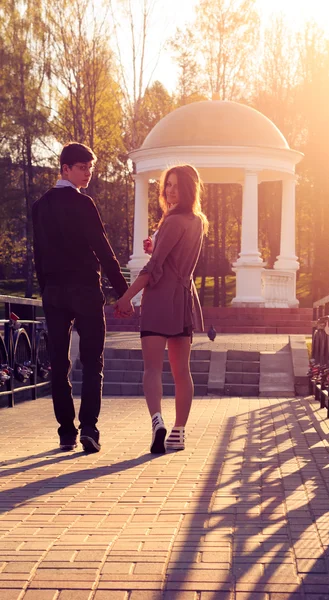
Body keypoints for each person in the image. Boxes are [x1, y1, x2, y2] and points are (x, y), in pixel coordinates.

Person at [32, 142, 131, 453]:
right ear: (66, 169)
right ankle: (88, 427)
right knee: (92, 362)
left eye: (91, 166)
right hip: (86, 292)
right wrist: (124, 293)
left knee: (59, 363)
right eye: (83, 167)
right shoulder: (83, 204)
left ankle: (65, 432)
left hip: (55, 294)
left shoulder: (40, 206)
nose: (89, 172)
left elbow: (39, 254)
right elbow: (103, 251)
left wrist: (45, 288)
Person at [115, 164, 208, 454]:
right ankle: (178, 432)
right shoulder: (197, 221)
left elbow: (153, 268)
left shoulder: (173, 221)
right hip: (183, 300)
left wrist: (125, 297)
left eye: (176, 185)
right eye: (167, 184)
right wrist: (156, 243)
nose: (169, 190)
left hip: (158, 299)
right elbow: (174, 253)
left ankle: (157, 421)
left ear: (189, 188)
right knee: (182, 371)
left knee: (152, 368)